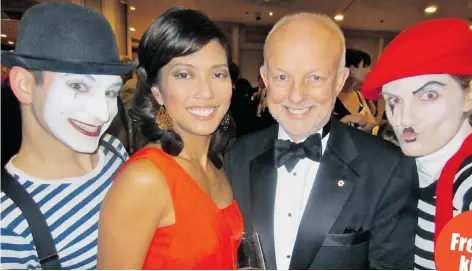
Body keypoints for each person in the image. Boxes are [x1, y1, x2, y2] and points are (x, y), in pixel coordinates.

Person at [225, 12, 417, 270]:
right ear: (265, 77)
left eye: (314, 77)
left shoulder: (388, 169)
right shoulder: (234, 158)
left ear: (339, 80)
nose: (296, 95)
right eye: (282, 77)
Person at [361, 18, 472, 270]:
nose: (404, 118)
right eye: (394, 101)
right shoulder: (410, 168)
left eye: (428, 95)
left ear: (470, 95)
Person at [97, 8, 243, 269]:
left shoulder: (220, 164)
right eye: (184, 74)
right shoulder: (145, 179)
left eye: (218, 73)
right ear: (158, 93)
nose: (206, 91)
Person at [0, 3, 133, 269]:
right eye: (78, 86)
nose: (103, 113)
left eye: (110, 92)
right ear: (24, 85)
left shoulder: (114, 150)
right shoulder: (7, 222)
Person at [334, 49, 376, 132]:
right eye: (366, 66)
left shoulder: (359, 95)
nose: (369, 71)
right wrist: (348, 119)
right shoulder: (330, 97)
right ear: (352, 69)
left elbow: (371, 123)